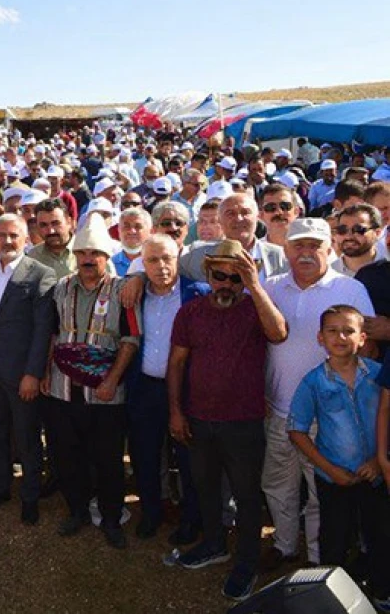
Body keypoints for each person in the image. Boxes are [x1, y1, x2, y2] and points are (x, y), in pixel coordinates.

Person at [167, 239, 288, 601]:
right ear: (208, 274)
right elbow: (176, 363)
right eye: (220, 276)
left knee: (247, 495)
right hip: (200, 419)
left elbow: (279, 333)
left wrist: (254, 286)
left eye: (236, 280)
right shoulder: (190, 313)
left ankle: (247, 562)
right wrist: (176, 410)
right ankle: (215, 543)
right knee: (205, 486)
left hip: (243, 422)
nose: (227, 285)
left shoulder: (255, 307)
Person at [261, 218, 375, 570]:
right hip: (278, 408)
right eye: (299, 245)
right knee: (278, 483)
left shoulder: (351, 289)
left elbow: (366, 352)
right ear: (286, 250)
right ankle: (283, 546)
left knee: (320, 491)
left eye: (315, 246)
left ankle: (317, 557)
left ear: (330, 249)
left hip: (330, 415)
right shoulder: (271, 286)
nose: (306, 253)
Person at [41, 214, 139, 550]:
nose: (87, 259)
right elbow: (53, 333)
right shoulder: (61, 288)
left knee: (108, 457)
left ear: (106, 257)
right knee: (68, 453)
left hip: (105, 391)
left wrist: (113, 380)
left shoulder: (122, 290)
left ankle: (111, 517)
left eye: (94, 253)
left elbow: (129, 340)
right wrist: (44, 372)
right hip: (63, 388)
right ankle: (78, 510)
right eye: (82, 253)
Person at [289, 305, 390, 610]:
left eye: (349, 330)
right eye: (332, 331)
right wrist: (329, 469)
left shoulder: (378, 375)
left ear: (362, 338)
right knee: (334, 539)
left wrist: (378, 460)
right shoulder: (313, 382)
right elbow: (296, 430)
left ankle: (382, 592)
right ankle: (332, 599)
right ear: (320, 338)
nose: (340, 337)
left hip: (375, 476)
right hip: (334, 480)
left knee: (381, 536)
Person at [126, 235, 210, 541]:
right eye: (152, 260)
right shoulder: (136, 294)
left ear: (178, 257)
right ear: (142, 264)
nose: (161, 266)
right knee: (145, 454)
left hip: (187, 390)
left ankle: (191, 519)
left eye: (167, 259)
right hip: (145, 387)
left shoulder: (197, 293)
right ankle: (151, 512)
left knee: (189, 459)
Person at [0, 214, 57, 523]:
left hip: (22, 372)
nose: (7, 241)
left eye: (13, 235)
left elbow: (42, 330)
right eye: (1, 235)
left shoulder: (40, 274)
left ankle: (30, 495)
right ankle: (0, 487)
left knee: (26, 436)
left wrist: (33, 374)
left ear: (26, 237)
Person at [331, 204, 381, 277]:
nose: (349, 236)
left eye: (359, 229)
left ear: (377, 233)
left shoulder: (387, 269)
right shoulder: (327, 274)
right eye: (342, 230)